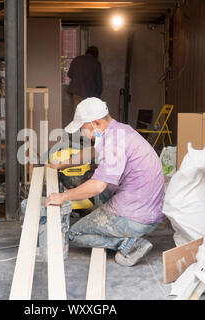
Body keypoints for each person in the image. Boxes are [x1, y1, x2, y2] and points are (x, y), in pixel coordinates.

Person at [45, 97, 165, 267]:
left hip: (137, 216)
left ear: (96, 123)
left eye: (83, 128)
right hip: (149, 210)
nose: (81, 132)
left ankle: (130, 244)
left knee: (73, 234)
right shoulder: (119, 130)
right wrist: (61, 164)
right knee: (97, 184)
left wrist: (62, 196)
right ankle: (118, 229)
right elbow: (92, 153)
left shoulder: (114, 142)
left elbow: (98, 185)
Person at [67, 46, 103, 111]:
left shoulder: (77, 59)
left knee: (78, 114)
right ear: (96, 54)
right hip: (90, 93)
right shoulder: (96, 63)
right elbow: (98, 81)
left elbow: (69, 74)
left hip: (77, 91)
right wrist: (99, 93)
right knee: (89, 115)